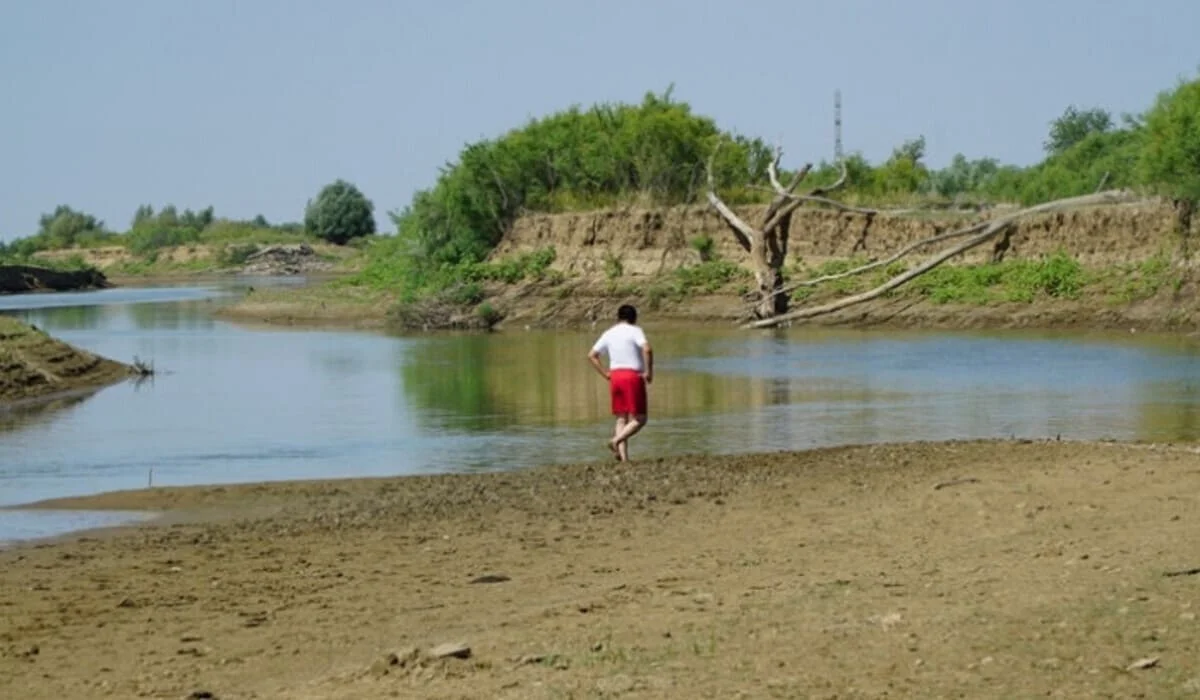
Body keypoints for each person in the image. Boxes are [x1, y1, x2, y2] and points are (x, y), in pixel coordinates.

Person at [587, 304, 653, 462]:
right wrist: (649, 372)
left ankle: (624, 459)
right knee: (640, 419)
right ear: (634, 318)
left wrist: (606, 374)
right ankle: (615, 441)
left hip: (616, 376)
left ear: (618, 317)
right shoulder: (635, 330)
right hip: (632, 376)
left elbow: (592, 355)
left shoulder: (609, 333)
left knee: (621, 418)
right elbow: (647, 349)